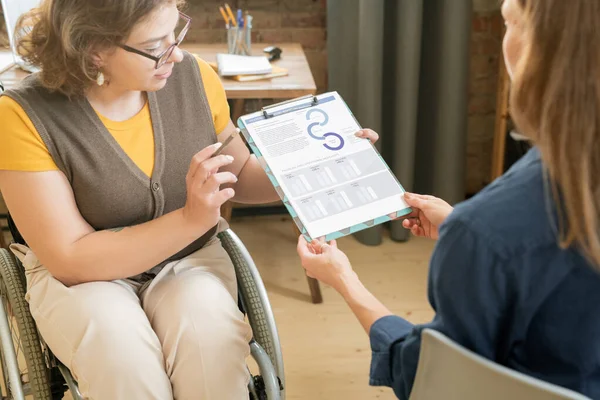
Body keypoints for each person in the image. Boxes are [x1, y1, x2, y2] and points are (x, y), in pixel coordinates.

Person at [0, 0, 376, 398]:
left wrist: (314, 164)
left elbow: (241, 175)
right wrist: (190, 220)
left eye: (175, 33)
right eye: (157, 44)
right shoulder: (22, 115)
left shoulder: (195, 77)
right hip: (84, 278)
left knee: (210, 340)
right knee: (122, 355)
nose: (176, 53)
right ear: (94, 48)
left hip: (187, 259)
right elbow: (70, 258)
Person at [297, 0, 600, 399]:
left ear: (541, 48)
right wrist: (465, 226)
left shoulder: (482, 233)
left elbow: (430, 379)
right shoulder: (488, 231)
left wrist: (345, 281)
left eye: (508, 20)